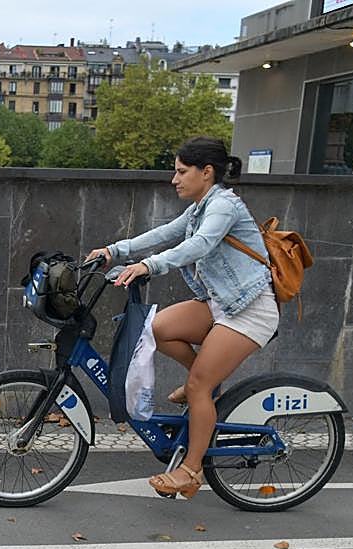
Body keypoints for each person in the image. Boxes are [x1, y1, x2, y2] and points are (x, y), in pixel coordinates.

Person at [86, 136, 277, 499]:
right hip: (221, 302)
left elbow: (199, 245)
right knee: (157, 328)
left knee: (198, 388)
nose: (174, 179)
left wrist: (148, 266)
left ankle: (190, 471)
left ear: (206, 172)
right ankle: (203, 384)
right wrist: (114, 251)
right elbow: (165, 234)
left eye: (181, 171)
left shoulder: (224, 206)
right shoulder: (200, 207)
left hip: (250, 310)